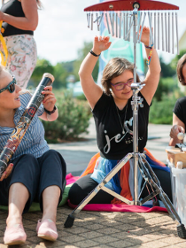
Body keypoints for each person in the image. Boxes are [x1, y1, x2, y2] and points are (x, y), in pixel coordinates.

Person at [68, 27, 172, 207]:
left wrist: (149, 45)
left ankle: (129, 193)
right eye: (119, 84)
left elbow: (154, 72)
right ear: (109, 85)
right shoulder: (101, 102)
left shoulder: (141, 97)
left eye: (130, 81)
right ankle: (117, 193)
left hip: (139, 166)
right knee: (78, 194)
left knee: (171, 186)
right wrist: (96, 52)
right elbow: (83, 75)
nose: (126, 87)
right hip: (108, 169)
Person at [0, 66, 66, 245]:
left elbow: (50, 116)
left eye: (15, 81)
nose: (18, 89)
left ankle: (48, 220)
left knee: (52, 155)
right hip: (14, 184)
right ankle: (13, 222)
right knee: (26, 159)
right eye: (11, 87)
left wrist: (50, 108)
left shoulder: (25, 100)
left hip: (45, 181)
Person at [0, 0, 41, 89]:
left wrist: (3, 16)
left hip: (21, 51)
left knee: (10, 89)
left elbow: (32, 23)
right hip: (7, 54)